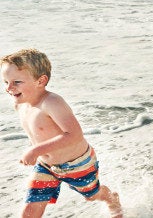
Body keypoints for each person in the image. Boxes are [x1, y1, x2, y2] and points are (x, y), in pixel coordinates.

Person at [0, 49, 122, 218]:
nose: (9, 88)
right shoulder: (21, 105)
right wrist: (37, 151)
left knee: (92, 195)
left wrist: (35, 151)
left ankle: (111, 198)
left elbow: (74, 135)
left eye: (17, 82)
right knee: (29, 212)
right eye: (5, 81)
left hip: (77, 164)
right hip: (46, 166)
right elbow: (38, 132)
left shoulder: (51, 102)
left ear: (41, 81)